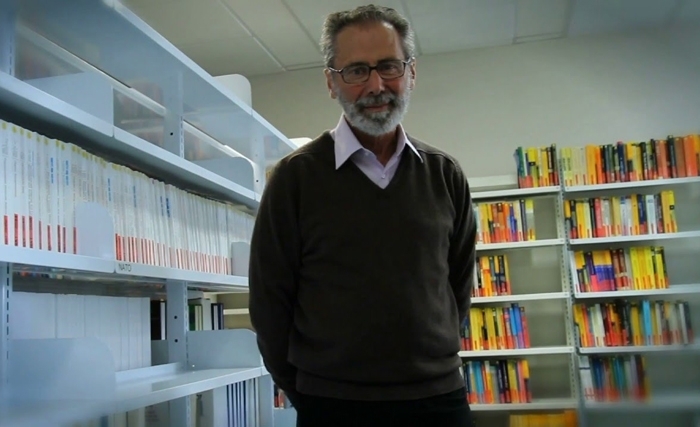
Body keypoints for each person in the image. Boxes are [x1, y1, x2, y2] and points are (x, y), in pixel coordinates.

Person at [248, 4, 477, 427]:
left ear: (411, 73)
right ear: (331, 83)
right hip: (331, 406)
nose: (376, 85)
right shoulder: (295, 179)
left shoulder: (445, 175)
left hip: (439, 401)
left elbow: (457, 286)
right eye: (355, 71)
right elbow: (269, 305)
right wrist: (308, 395)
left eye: (389, 66)